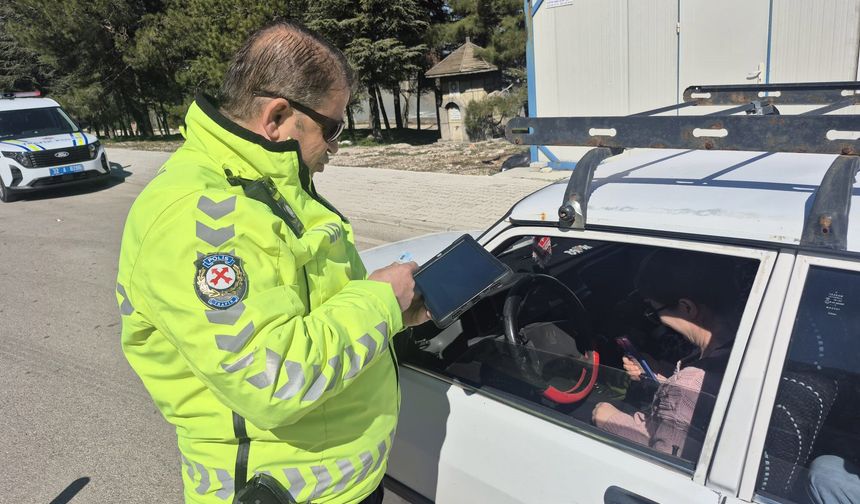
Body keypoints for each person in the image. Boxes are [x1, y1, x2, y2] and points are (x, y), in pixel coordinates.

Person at [115, 20, 428, 504]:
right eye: (334, 127)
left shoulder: (274, 188)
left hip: (342, 482)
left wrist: (394, 315)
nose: (336, 147)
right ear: (278, 116)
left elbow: (312, 309)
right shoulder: (200, 221)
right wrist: (381, 302)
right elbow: (274, 379)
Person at [591, 249, 742, 460]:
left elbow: (666, 461)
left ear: (687, 307)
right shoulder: (742, 339)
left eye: (654, 310)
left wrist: (611, 420)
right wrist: (661, 373)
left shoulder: (685, 387)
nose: (657, 318)